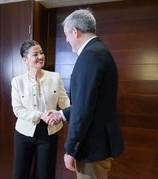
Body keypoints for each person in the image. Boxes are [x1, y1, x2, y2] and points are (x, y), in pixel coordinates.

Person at [59, 8, 124, 179]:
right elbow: (90, 102)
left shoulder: (90, 56)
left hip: (92, 147)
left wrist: (70, 148)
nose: (66, 40)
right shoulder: (98, 51)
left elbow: (83, 109)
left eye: (66, 34)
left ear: (75, 32)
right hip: (97, 144)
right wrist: (61, 114)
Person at [11, 40, 70, 179]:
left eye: (41, 53)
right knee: (20, 174)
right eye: (35, 54)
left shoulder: (55, 77)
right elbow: (18, 109)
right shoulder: (17, 81)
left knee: (45, 175)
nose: (41, 56)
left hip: (49, 132)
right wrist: (40, 115)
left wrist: (60, 115)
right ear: (25, 60)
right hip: (24, 133)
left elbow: (65, 103)